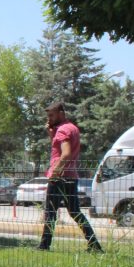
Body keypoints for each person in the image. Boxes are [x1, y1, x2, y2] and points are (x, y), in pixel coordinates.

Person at [38, 102, 102, 252]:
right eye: (48, 115)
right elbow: (59, 150)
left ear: (61, 113)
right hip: (71, 175)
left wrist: (56, 171)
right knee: (75, 211)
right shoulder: (72, 128)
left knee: (50, 211)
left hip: (59, 176)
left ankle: (44, 246)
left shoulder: (62, 130)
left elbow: (65, 153)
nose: (49, 118)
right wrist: (51, 134)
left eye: (52, 115)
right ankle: (94, 244)